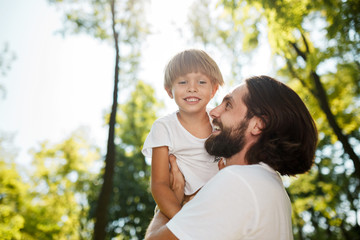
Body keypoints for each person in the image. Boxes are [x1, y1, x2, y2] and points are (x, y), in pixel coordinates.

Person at [145, 75, 318, 240]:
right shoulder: (270, 186)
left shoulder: (238, 182)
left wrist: (169, 202)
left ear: (258, 124)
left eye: (228, 105)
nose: (213, 112)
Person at [142, 49, 225, 219]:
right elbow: (159, 185)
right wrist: (181, 220)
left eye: (201, 82)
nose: (192, 88)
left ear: (214, 89)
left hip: (223, 203)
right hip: (186, 208)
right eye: (182, 82)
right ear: (169, 91)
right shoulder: (163, 128)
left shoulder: (220, 121)